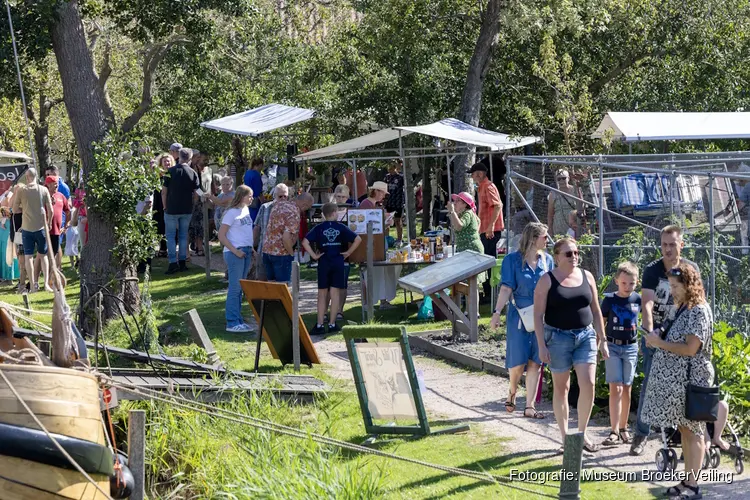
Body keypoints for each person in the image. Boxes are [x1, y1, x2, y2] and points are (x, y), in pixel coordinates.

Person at [642, 263, 713, 500]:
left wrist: (660, 344)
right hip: (679, 383)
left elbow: (691, 349)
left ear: (688, 285)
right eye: (670, 286)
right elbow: (671, 331)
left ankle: (693, 486)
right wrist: (658, 334)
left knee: (694, 432)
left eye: (675, 286)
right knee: (684, 429)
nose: (672, 291)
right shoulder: (682, 307)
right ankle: (686, 480)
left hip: (693, 380)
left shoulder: (698, 310)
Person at [533, 237, 608, 453]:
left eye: (576, 253)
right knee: (562, 388)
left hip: (585, 336)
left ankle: (582, 434)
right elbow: (538, 316)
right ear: (557, 257)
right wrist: (541, 345)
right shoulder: (547, 281)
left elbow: (595, 310)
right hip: (558, 338)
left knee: (589, 384)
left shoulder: (587, 276)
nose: (573, 257)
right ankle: (566, 438)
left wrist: (602, 340)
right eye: (568, 253)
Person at [631, 225, 700, 456]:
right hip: (656, 334)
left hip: (682, 336)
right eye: (664, 245)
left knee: (681, 388)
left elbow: (697, 302)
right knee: (651, 384)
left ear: (682, 244)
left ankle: (678, 438)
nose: (667, 249)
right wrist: (651, 334)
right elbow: (647, 304)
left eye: (672, 244)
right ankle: (641, 434)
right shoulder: (653, 269)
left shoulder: (691, 269)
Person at [490, 222, 552, 419]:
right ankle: (512, 390)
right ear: (534, 239)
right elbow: (507, 288)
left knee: (536, 361)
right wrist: (497, 311)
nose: (547, 240)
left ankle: (530, 406)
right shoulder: (512, 260)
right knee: (517, 362)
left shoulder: (547, 260)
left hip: (541, 316)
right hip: (520, 315)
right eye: (544, 236)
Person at [302, 202, 362, 335]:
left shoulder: (318, 228)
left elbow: (305, 242)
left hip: (324, 261)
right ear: (335, 213)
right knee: (335, 293)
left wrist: (314, 256)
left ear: (323, 214)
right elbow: (357, 239)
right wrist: (348, 253)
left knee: (322, 294)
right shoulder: (341, 227)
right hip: (338, 261)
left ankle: (319, 324)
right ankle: (332, 323)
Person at [600, 262, 641, 447]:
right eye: (624, 283)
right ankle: (614, 430)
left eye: (631, 284)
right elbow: (602, 322)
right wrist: (601, 344)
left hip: (631, 347)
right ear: (617, 281)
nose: (627, 287)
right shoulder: (609, 300)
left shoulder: (638, 299)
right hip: (613, 346)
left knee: (626, 388)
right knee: (615, 388)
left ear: (636, 283)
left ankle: (624, 428)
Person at [218, 185, 256, 333]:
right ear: (241, 196)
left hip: (245, 250)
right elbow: (222, 236)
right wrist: (235, 251)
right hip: (235, 253)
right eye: (249, 196)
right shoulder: (231, 213)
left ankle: (238, 319)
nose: (251, 198)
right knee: (235, 288)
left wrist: (251, 248)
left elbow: (246, 231)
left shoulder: (245, 210)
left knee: (241, 288)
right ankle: (232, 322)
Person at [11, 168, 53, 292]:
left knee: (29, 256)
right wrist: (49, 222)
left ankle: (34, 285)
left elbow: (14, 209)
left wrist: (23, 209)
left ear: (27, 177)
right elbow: (50, 209)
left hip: (27, 228)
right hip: (41, 227)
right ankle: (45, 284)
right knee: (43, 255)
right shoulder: (44, 189)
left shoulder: (21, 190)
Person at [469, 162, 504, 302]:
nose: (472, 177)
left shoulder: (489, 186)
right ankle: (488, 292)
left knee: (488, 262)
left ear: (479, 174)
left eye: (473, 174)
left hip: (491, 230)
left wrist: (490, 226)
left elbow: (497, 206)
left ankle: (490, 294)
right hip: (485, 229)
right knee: (486, 260)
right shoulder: (481, 187)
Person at [162, 147, 200, 274]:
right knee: (183, 235)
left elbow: (164, 192)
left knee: (171, 236)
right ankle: (182, 262)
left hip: (171, 208)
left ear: (179, 156)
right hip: (186, 208)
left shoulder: (170, 171)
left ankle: (173, 263)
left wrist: (164, 206)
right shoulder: (193, 173)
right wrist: (193, 204)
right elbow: (196, 193)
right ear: (189, 158)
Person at [359, 182, 396, 309]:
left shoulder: (374, 204)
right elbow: (365, 226)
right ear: (376, 191)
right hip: (370, 245)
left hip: (377, 243)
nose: (383, 196)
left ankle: (382, 300)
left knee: (380, 273)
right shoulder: (366, 204)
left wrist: (386, 223)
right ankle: (367, 303)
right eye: (383, 193)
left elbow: (375, 227)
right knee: (368, 273)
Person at [262, 192, 313, 283]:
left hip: (267, 250)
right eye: (307, 208)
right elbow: (286, 238)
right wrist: (291, 254)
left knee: (271, 286)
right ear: (304, 205)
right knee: (283, 288)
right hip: (281, 253)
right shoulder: (294, 213)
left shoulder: (279, 204)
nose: (305, 211)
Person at [446, 192, 486, 297]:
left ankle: (473, 312)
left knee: (472, 284)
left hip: (472, 251)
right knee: (467, 284)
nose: (455, 203)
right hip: (465, 251)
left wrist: (452, 211)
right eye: (455, 200)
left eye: (458, 201)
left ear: (465, 204)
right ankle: (469, 310)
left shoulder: (468, 213)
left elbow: (459, 226)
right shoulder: (463, 214)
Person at [253, 184, 290, 280]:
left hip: (281, 252)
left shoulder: (290, 210)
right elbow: (257, 228)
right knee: (262, 280)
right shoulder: (265, 207)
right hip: (264, 250)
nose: (283, 199)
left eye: (285, 196)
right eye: (280, 196)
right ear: (274, 196)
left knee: (280, 282)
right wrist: (252, 247)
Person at [716, 162, 750, 255]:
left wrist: (729, 213)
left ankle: (744, 253)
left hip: (746, 216)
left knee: (745, 233)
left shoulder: (747, 186)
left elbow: (740, 205)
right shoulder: (745, 184)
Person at [43, 175, 70, 270]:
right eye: (54, 184)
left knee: (54, 253)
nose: (56, 186)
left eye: (57, 184)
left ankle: (52, 275)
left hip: (56, 231)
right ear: (48, 185)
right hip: (44, 231)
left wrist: (66, 225)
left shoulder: (61, 196)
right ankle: (38, 279)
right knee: (43, 254)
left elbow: (68, 211)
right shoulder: (42, 196)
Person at [154, 154, 174, 257]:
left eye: (169, 161)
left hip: (170, 203)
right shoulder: (158, 176)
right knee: (160, 225)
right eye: (165, 161)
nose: (167, 163)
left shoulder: (173, 174)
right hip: (159, 203)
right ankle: (163, 248)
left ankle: (169, 249)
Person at [547, 169, 577, 238]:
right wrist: (550, 230)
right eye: (559, 179)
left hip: (573, 224)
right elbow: (550, 214)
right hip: (558, 225)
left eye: (563, 178)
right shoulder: (553, 193)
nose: (561, 181)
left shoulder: (575, 190)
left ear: (568, 178)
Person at [0, 189, 19, 282]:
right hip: (3, 226)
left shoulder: (9, 195)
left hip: (6, 226)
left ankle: (8, 276)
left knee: (7, 250)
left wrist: (2, 219)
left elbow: (7, 211)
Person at [384, 161, 405, 243]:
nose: (390, 171)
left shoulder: (400, 177)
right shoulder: (387, 177)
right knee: (387, 221)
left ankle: (399, 239)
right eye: (389, 169)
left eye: (392, 168)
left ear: (395, 168)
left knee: (397, 221)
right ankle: (386, 238)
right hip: (389, 202)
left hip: (398, 202)